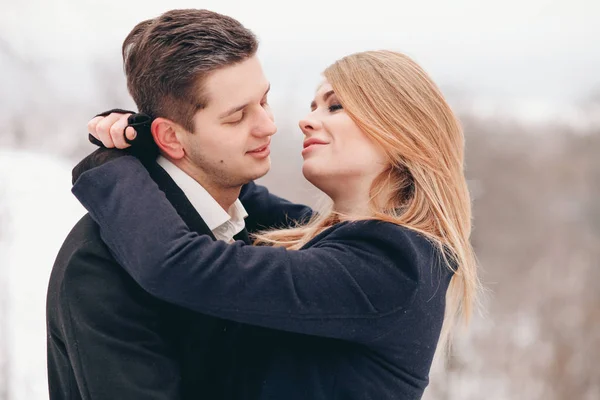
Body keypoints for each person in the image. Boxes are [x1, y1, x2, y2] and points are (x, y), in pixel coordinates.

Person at [73, 49, 479, 399]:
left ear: (399, 130)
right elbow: (224, 185)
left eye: (334, 106)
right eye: (313, 105)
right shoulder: (339, 243)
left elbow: (176, 264)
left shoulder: (391, 267)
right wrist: (160, 138)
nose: (306, 120)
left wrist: (111, 164)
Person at [46, 9, 310, 399]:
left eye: (264, 101)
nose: (268, 126)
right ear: (170, 137)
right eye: (237, 117)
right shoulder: (99, 268)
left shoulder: (250, 218)